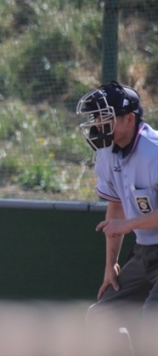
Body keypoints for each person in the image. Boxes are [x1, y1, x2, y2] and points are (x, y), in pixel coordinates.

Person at [76, 80, 158, 356]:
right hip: (144, 252)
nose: (98, 124)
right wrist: (110, 264)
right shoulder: (107, 154)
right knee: (101, 317)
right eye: (96, 118)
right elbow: (116, 207)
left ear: (129, 119)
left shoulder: (155, 151)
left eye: (105, 117)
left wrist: (130, 224)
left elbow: (124, 221)